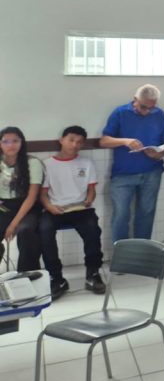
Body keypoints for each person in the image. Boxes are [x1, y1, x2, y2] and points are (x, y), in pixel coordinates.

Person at [99, 83, 164, 242]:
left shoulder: (160, 115)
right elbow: (104, 141)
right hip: (123, 175)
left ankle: (142, 251)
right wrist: (125, 141)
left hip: (152, 172)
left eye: (151, 108)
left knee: (146, 213)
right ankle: (122, 253)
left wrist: (159, 154)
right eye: (143, 107)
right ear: (135, 99)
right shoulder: (120, 113)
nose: (147, 112)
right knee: (121, 215)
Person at [38, 125, 105, 295]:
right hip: (55, 209)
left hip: (80, 208)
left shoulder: (87, 163)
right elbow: (43, 194)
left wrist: (89, 199)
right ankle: (56, 278)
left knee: (93, 230)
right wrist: (50, 207)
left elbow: (91, 190)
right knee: (44, 230)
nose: (75, 145)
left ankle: (93, 274)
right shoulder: (47, 164)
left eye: (80, 142)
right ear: (61, 140)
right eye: (71, 140)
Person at [0, 127, 43, 276]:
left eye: (15, 141)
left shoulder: (33, 163)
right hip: (4, 206)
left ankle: (27, 275)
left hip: (27, 207)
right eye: (5, 141)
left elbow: (32, 197)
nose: (10, 145)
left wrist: (13, 225)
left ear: (22, 142)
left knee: (26, 230)